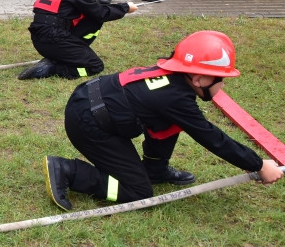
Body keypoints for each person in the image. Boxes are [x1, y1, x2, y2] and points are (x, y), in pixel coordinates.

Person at [45, 30, 282, 211]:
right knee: (138, 192)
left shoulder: (173, 77)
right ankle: (68, 171)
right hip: (89, 124)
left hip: (87, 100)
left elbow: (164, 126)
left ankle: (155, 170)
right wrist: (258, 165)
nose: (222, 85)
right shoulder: (176, 99)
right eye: (221, 79)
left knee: (168, 123)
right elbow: (212, 138)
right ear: (199, 79)